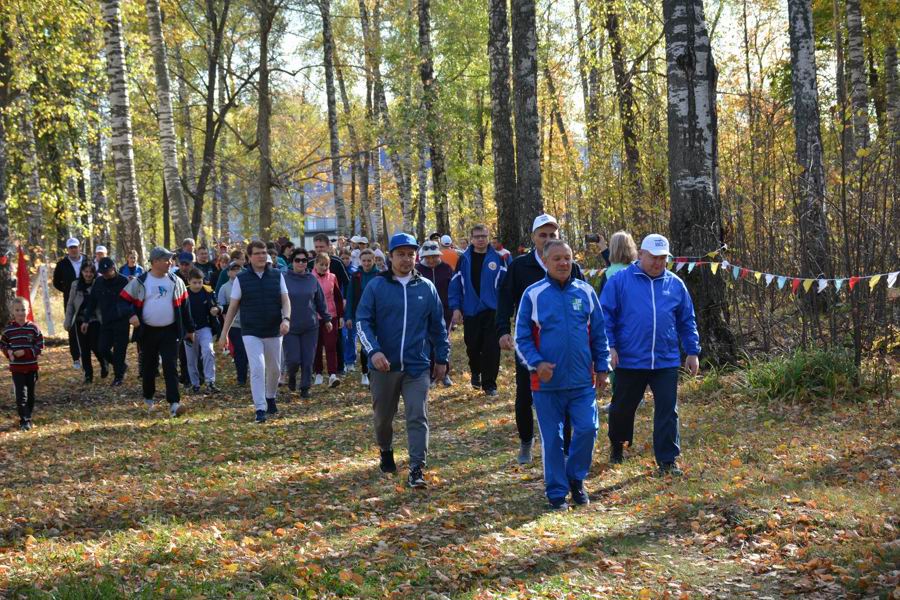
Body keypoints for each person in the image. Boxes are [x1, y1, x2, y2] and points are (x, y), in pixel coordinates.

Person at [515, 240, 609, 510]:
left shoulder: (586, 292)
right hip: (546, 383)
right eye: (556, 258)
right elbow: (522, 338)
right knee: (553, 439)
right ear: (545, 261)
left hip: (582, 381)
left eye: (567, 258)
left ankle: (575, 478)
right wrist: (537, 363)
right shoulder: (533, 294)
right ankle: (556, 493)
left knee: (588, 429)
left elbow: (600, 334)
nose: (563, 263)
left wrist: (602, 368)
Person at [600, 234, 700, 476]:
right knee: (623, 407)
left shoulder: (675, 284)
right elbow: (606, 316)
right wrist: (610, 346)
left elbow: (687, 320)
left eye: (663, 259)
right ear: (641, 255)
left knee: (667, 408)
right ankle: (618, 445)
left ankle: (667, 460)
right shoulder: (620, 281)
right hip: (630, 359)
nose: (658, 263)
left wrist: (692, 351)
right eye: (653, 258)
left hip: (665, 359)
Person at [355, 233, 449, 488]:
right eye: (401, 254)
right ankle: (385, 449)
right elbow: (362, 321)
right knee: (383, 417)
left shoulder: (426, 288)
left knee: (417, 415)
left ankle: (417, 467)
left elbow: (438, 326)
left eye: (410, 254)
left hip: (417, 366)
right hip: (384, 366)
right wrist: (373, 351)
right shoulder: (377, 286)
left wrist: (442, 357)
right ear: (390, 257)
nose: (406, 259)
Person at [496, 213, 586, 465]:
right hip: (529, 344)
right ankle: (526, 441)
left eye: (552, 235)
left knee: (566, 393)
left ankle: (567, 448)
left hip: (564, 346)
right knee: (525, 394)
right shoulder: (519, 266)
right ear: (533, 237)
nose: (547, 239)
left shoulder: (571, 266)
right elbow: (504, 299)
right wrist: (502, 330)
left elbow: (586, 304)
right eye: (542, 235)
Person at [218, 241, 291, 424]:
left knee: (274, 369)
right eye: (257, 253)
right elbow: (233, 307)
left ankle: (270, 397)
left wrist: (286, 319)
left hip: (274, 330)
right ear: (249, 257)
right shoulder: (241, 279)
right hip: (251, 331)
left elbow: (286, 300)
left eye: (264, 252)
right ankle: (260, 408)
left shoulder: (277, 275)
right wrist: (224, 333)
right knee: (258, 367)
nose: (261, 256)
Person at [120, 247, 195, 417]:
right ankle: (148, 398)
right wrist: (131, 315)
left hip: (170, 331)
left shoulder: (176, 281)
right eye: (165, 260)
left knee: (170, 366)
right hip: (147, 331)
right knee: (149, 367)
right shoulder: (141, 281)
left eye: (170, 260)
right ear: (154, 262)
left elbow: (185, 307)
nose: (170, 263)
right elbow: (122, 301)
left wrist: (190, 329)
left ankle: (174, 403)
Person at [449, 224, 505, 396]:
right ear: (471, 239)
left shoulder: (498, 258)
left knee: (492, 348)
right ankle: (475, 371)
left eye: (484, 236)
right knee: (473, 345)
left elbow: (505, 285)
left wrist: (505, 307)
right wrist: (456, 307)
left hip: (492, 309)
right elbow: (456, 284)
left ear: (489, 237)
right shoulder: (463, 259)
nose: (481, 239)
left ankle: (490, 385)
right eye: (477, 236)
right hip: (471, 310)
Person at [284, 248, 330, 397]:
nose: (301, 263)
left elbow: (320, 301)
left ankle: (305, 387)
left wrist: (327, 319)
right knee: (293, 360)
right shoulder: (284, 279)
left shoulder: (312, 279)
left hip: (310, 326)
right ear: (292, 262)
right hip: (290, 326)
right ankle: (291, 375)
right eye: (297, 260)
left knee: (308, 359)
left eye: (304, 260)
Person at [81, 257, 130, 386]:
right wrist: (86, 320)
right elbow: (92, 302)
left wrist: (132, 315)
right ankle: (120, 366)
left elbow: (132, 301)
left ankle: (118, 376)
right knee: (102, 348)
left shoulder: (123, 281)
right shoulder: (99, 282)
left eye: (107, 271)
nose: (106, 274)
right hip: (106, 321)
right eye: (103, 272)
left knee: (120, 351)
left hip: (121, 321)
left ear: (113, 268)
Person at [1, 298, 44, 431]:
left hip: (31, 366)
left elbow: (40, 345)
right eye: (17, 310)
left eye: (23, 310)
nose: (21, 313)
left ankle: (28, 415)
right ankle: (24, 420)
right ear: (13, 312)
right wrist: (9, 352)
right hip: (17, 368)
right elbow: (3, 344)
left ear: (28, 310)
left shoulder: (33, 328)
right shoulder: (9, 330)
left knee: (30, 394)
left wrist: (25, 352)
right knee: (21, 395)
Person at [415, 241, 454, 386]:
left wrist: (455, 308)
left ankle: (444, 373)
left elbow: (454, 288)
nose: (431, 260)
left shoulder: (446, 268)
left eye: (434, 256)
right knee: (427, 341)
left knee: (443, 340)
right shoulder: (417, 269)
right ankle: (431, 373)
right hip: (424, 311)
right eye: (428, 257)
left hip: (445, 310)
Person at [313, 233, 350, 375]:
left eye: (321, 246)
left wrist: (345, 299)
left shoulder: (337, 262)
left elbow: (347, 282)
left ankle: (339, 367)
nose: (319, 249)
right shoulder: (311, 264)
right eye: (316, 247)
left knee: (335, 340)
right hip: (316, 313)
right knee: (317, 343)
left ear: (328, 246)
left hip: (333, 308)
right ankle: (317, 370)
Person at [64, 262, 106, 384]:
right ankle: (88, 375)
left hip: (95, 320)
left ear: (94, 273)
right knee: (84, 349)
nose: (88, 274)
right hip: (79, 320)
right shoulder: (75, 285)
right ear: (82, 272)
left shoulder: (98, 283)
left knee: (95, 345)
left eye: (90, 272)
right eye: (85, 271)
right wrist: (68, 321)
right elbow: (71, 304)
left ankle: (104, 363)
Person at [345, 249, 380, 386]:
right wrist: (348, 316)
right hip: (360, 315)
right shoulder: (356, 276)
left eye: (369, 260)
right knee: (365, 344)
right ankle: (365, 372)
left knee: (377, 343)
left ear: (374, 260)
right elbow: (350, 296)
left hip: (377, 315)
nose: (366, 263)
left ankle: (376, 369)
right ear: (360, 261)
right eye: (364, 260)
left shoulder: (379, 275)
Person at [185, 268, 221, 394]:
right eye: (194, 282)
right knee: (191, 358)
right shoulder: (183, 292)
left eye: (200, 282)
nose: (197, 285)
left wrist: (216, 309)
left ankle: (210, 381)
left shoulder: (208, 291)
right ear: (189, 281)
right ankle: (195, 383)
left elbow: (217, 304)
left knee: (208, 351)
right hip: (189, 330)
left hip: (205, 327)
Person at [312, 252, 343, 387]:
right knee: (316, 346)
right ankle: (318, 372)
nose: (324, 267)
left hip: (331, 316)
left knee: (331, 346)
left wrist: (341, 315)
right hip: (314, 317)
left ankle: (332, 375)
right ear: (315, 264)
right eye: (321, 264)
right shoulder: (310, 277)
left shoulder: (333, 277)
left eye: (327, 265)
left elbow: (338, 297)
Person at [53, 237, 85, 369]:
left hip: (87, 298)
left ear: (79, 248)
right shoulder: (61, 264)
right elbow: (56, 282)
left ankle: (87, 353)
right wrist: (68, 290)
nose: (73, 250)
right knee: (72, 327)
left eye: (75, 247)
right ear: (67, 250)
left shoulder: (87, 261)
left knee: (88, 323)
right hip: (70, 299)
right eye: (71, 247)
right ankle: (76, 357)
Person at [218, 260, 249, 386]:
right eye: (233, 269)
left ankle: (252, 375)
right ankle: (241, 378)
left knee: (249, 351)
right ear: (228, 272)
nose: (236, 272)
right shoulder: (224, 288)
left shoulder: (247, 284)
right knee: (239, 351)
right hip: (234, 325)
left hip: (249, 323)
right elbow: (222, 306)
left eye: (239, 269)